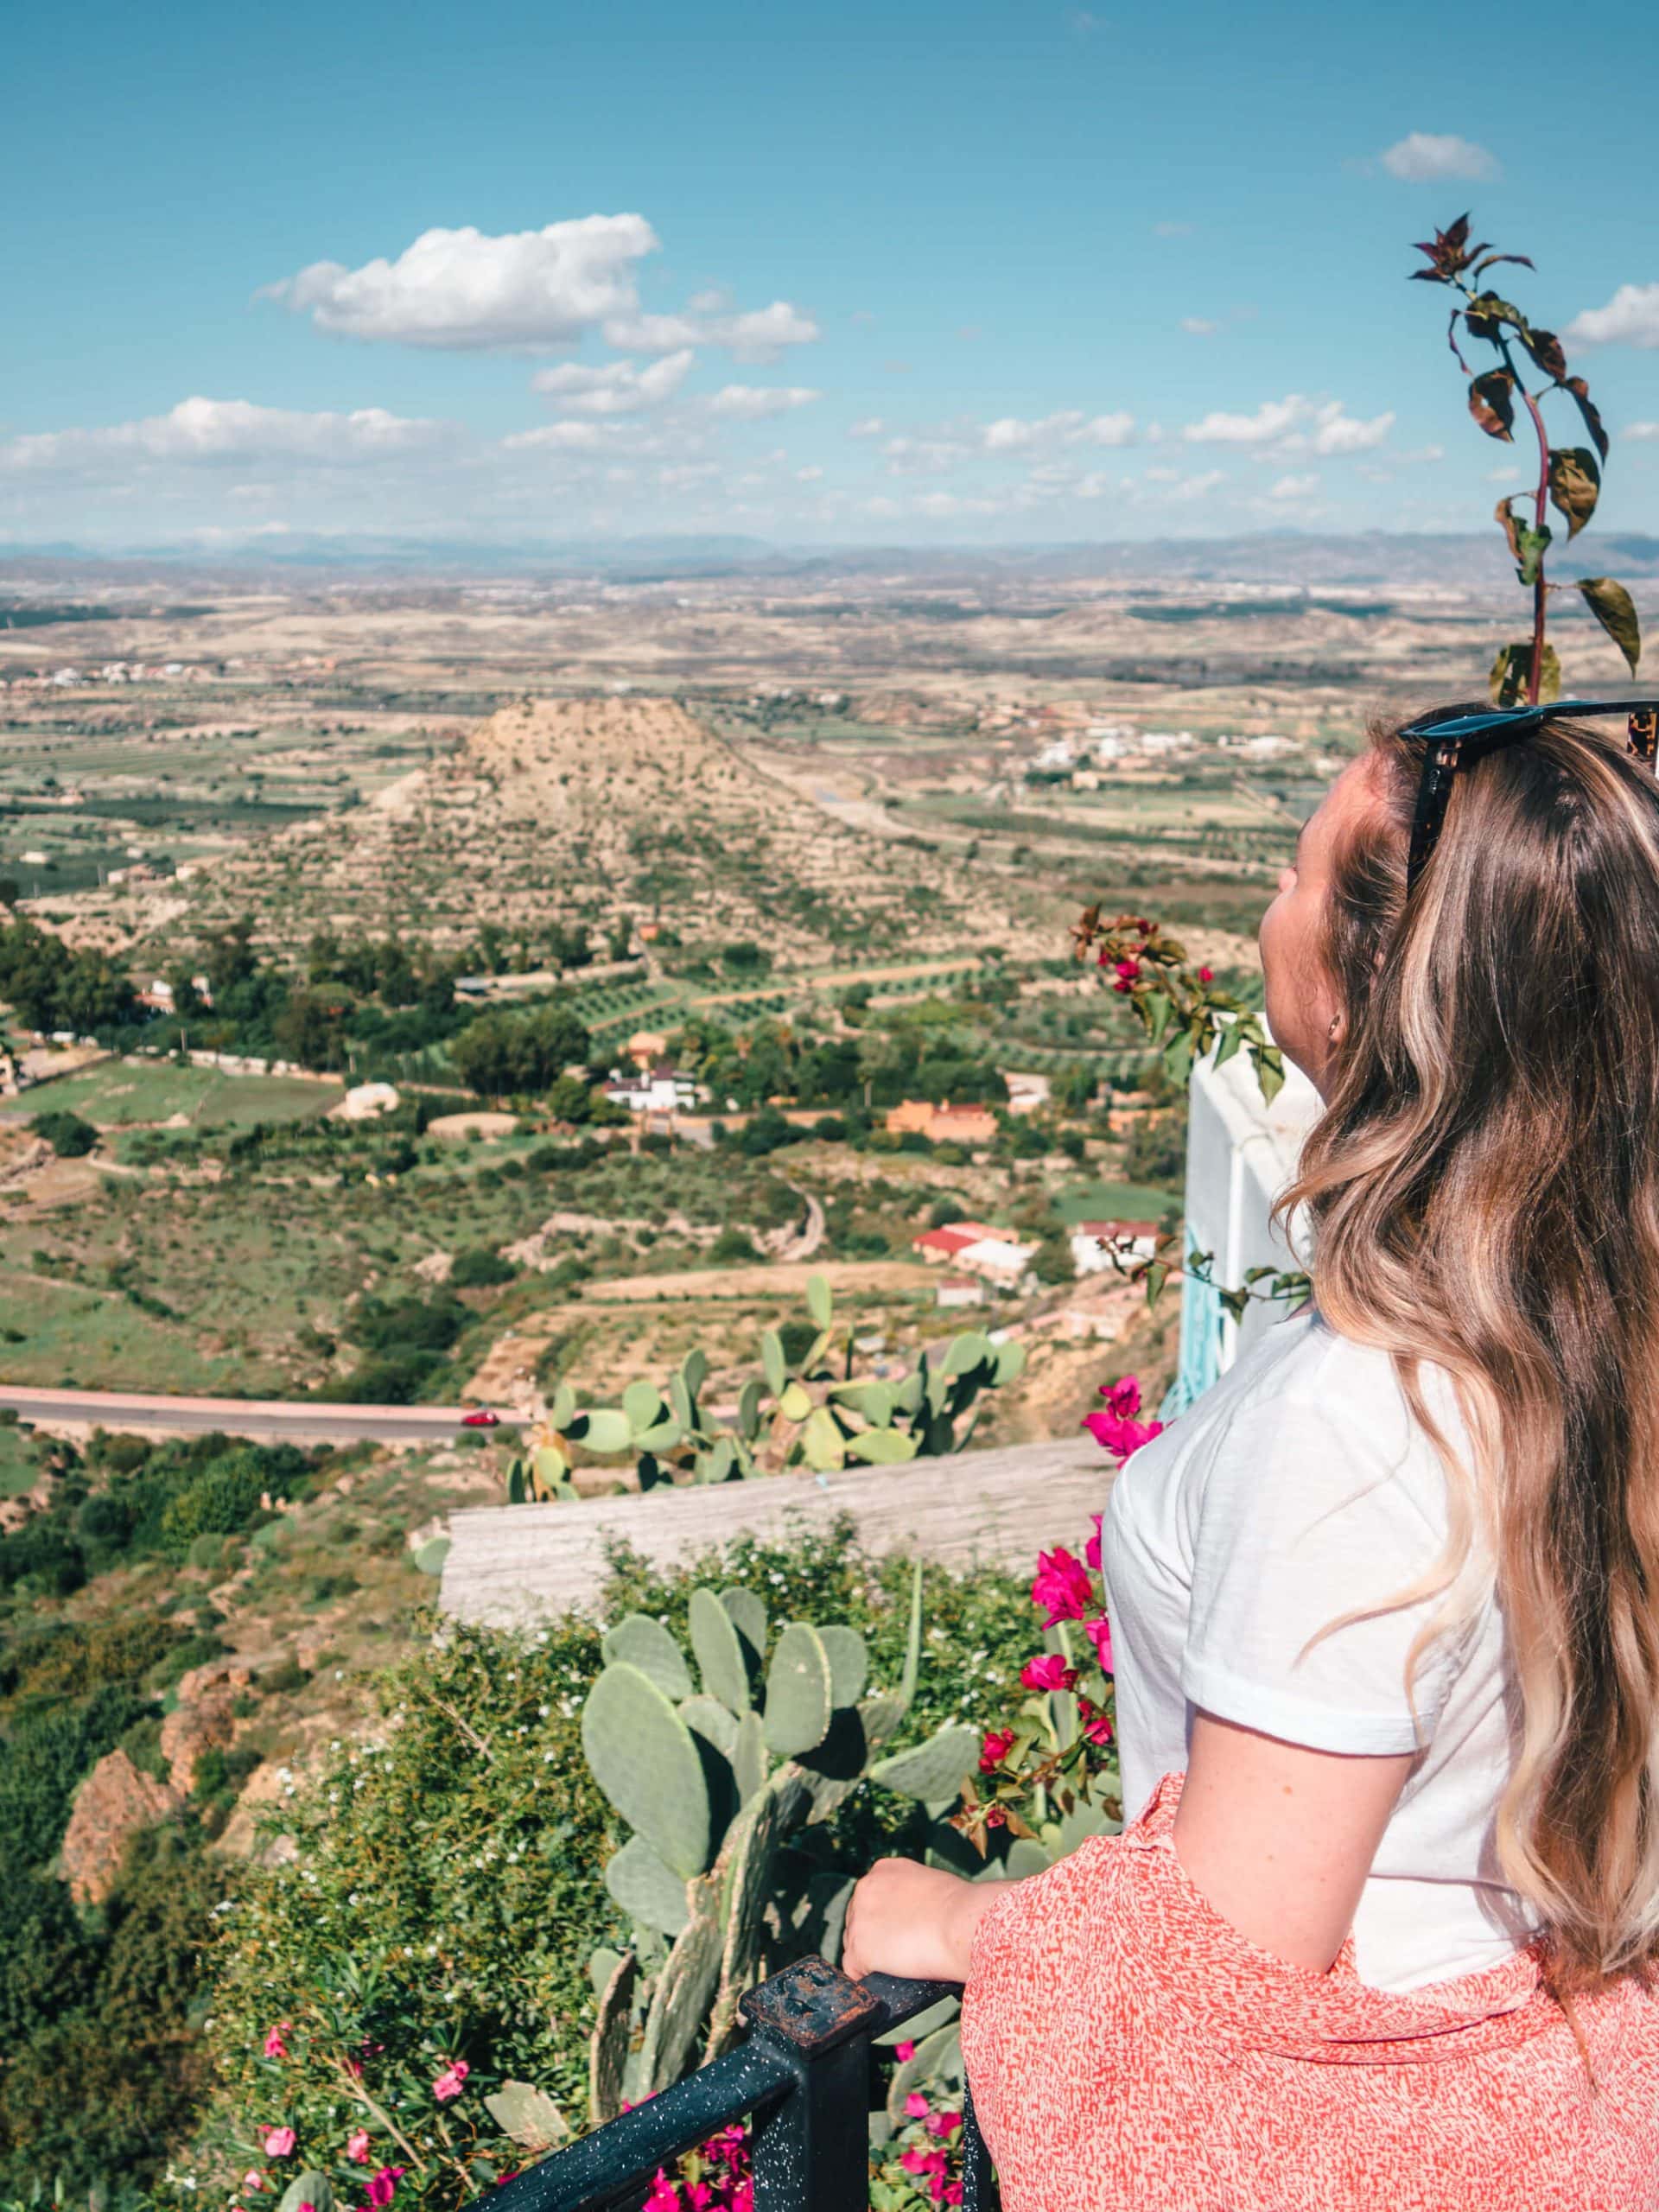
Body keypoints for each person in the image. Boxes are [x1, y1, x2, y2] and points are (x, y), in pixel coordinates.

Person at [842, 701, 1659, 2209]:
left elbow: (1228, 1961)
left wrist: (965, 1930)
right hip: (1571, 2072)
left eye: (1290, 877)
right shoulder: (1594, 1306)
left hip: (1409, 2112)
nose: (1262, 912)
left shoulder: (1363, 1415)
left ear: (1364, 993)